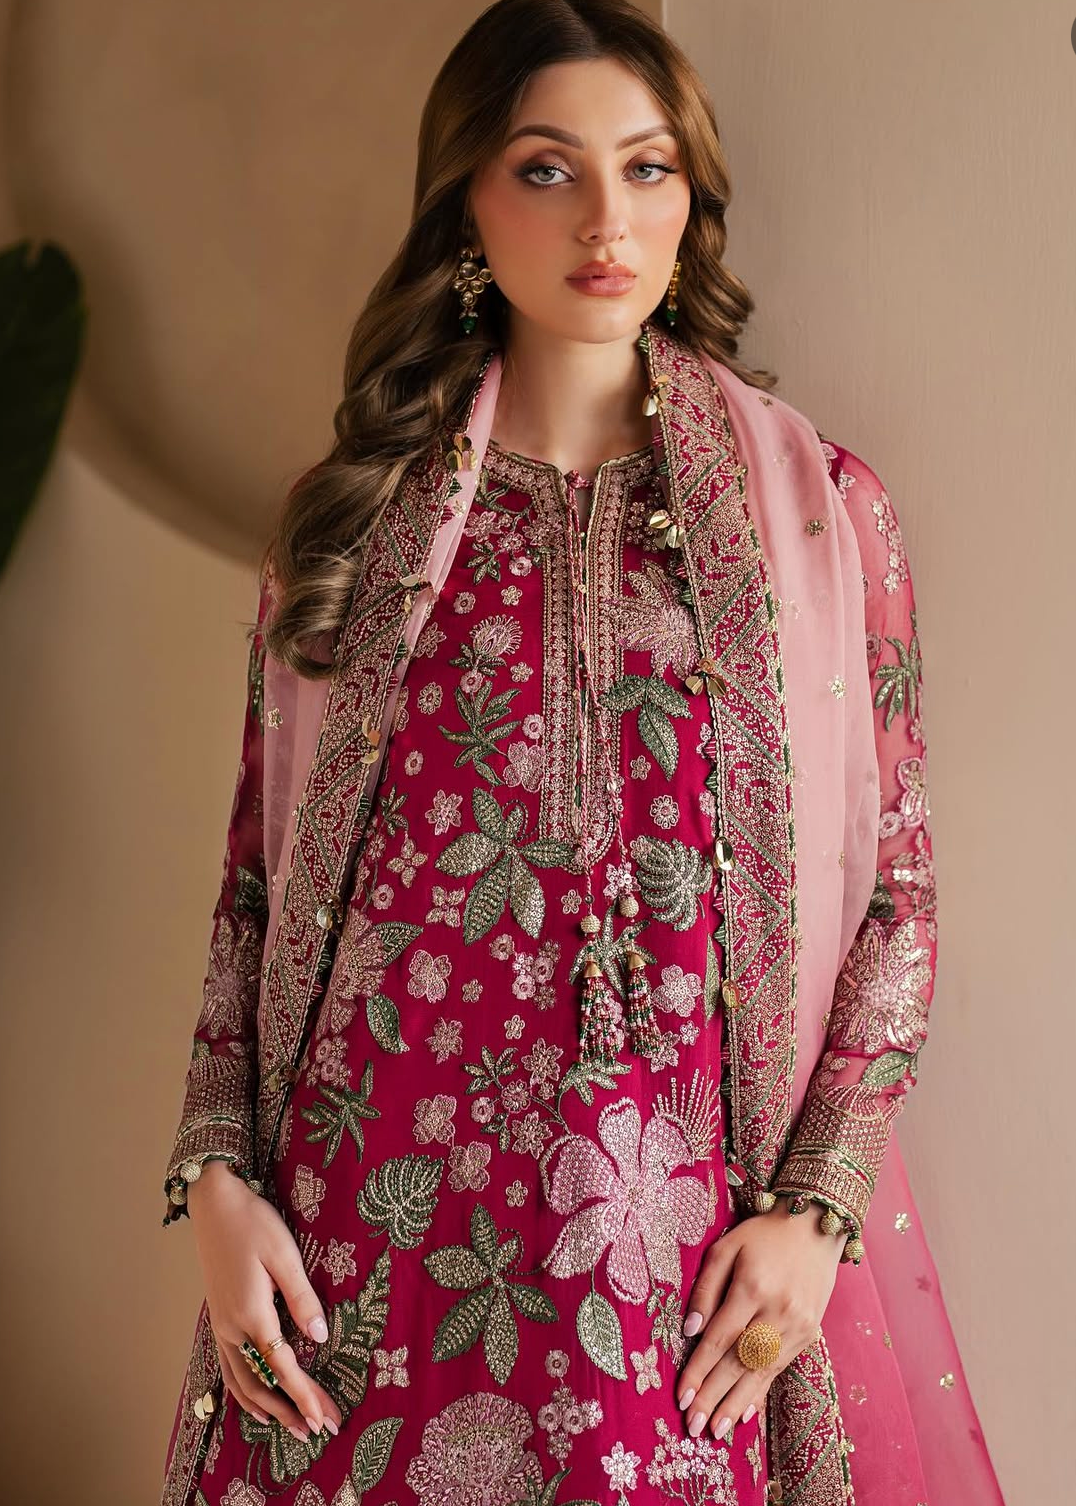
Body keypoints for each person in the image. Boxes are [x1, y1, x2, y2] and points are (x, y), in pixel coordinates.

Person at [159, 4, 1005, 1504]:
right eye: (547, 170)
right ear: (466, 205)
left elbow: (900, 896)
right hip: (365, 1241)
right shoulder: (351, 524)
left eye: (648, 168)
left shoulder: (821, 518)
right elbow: (253, 894)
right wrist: (219, 1182)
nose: (607, 221)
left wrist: (816, 1212)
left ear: (691, 198)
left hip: (668, 1265)